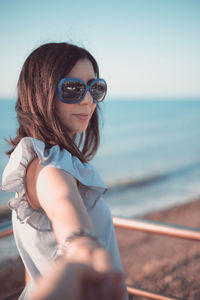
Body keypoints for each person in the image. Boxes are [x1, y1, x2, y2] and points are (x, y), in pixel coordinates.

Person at [1, 42, 128, 299]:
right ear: (41, 92)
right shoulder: (50, 168)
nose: (88, 99)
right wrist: (82, 247)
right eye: (72, 88)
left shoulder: (42, 159)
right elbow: (62, 202)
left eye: (95, 87)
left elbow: (33, 268)